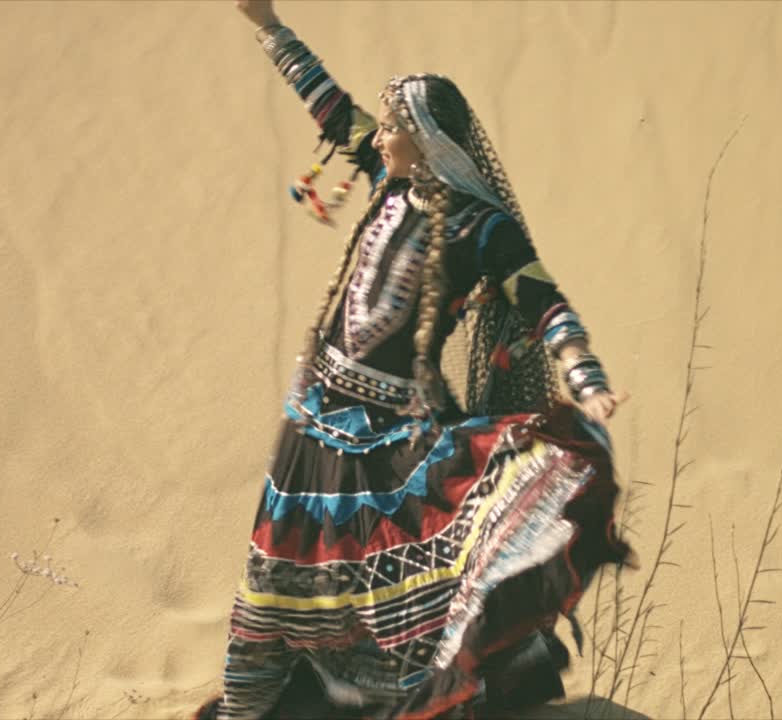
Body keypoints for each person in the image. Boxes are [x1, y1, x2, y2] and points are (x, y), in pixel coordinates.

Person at [201, 2, 632, 717]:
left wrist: (586, 379)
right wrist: (271, 28)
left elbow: (541, 299)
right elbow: (331, 109)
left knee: (392, 599)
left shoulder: (480, 226)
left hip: (390, 441)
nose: (380, 135)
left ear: (426, 138)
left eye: (393, 126)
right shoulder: (388, 179)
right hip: (313, 424)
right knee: (274, 582)